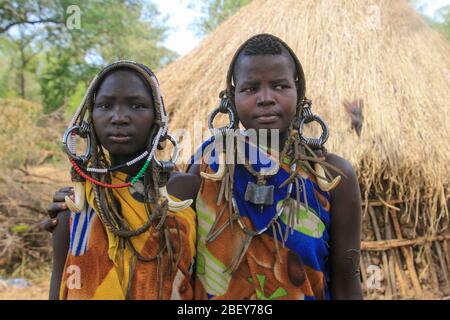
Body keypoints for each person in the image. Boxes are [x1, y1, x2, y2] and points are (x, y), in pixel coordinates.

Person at [46, 34, 363, 300]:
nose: (266, 98)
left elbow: (348, 280)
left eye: (280, 86)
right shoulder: (210, 167)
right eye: (251, 88)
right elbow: (138, 203)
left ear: (299, 93)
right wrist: (80, 197)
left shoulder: (333, 177)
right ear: (231, 99)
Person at [49, 60, 198, 300]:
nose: (119, 117)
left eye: (137, 106)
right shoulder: (75, 205)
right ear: (91, 119)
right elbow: (58, 288)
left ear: (157, 117)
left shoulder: (185, 190)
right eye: (105, 105)